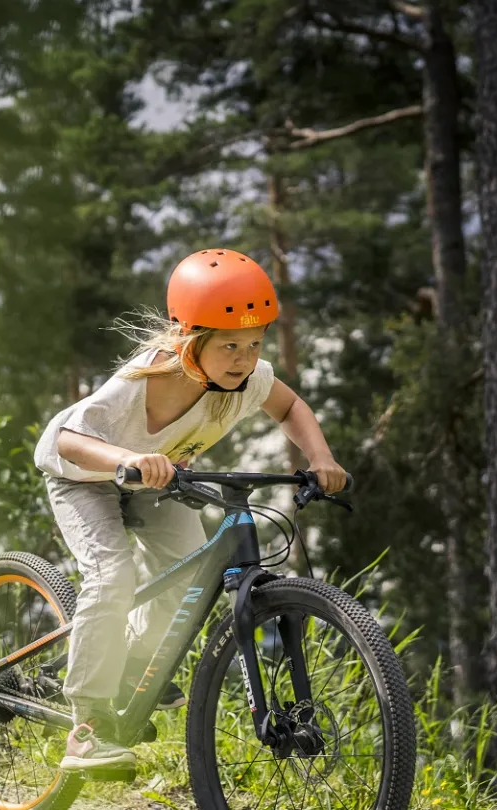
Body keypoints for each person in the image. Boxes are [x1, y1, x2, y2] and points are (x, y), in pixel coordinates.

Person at [32, 248, 348, 772]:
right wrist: (129, 458)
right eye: (229, 345)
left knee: (187, 571)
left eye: (254, 343)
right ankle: (87, 723)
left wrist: (320, 458)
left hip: (160, 479)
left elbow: (290, 407)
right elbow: (69, 441)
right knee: (112, 575)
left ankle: (132, 666)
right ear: (188, 340)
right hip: (84, 477)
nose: (244, 358)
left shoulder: (249, 380)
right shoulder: (143, 380)